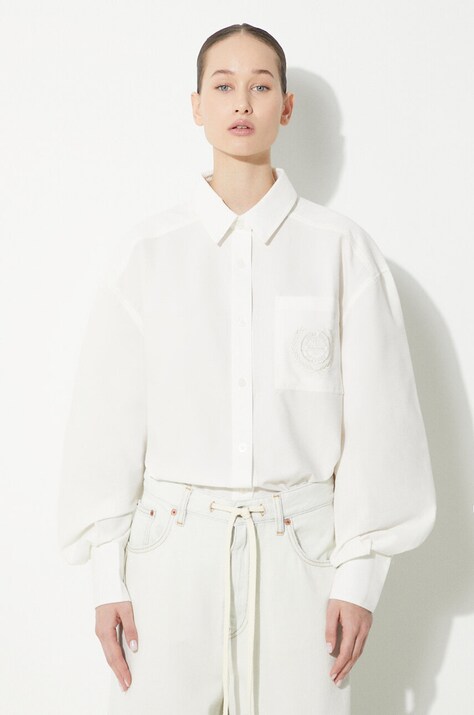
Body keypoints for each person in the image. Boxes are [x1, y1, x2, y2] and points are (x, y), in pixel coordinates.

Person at [57, 22, 437, 715]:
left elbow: (380, 422)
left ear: (286, 107)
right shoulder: (147, 254)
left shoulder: (341, 251)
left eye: (261, 86)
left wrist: (358, 576)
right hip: (169, 550)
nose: (241, 102)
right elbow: (107, 423)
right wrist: (107, 574)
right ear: (196, 105)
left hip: (302, 552)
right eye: (223, 85)